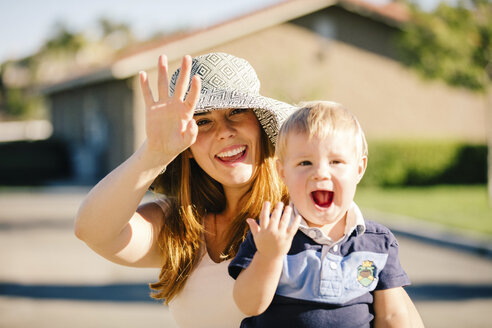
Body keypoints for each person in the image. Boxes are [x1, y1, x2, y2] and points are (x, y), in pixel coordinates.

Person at [74, 52, 297, 328]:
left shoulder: (306, 212)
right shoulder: (179, 225)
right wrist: (153, 154)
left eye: (236, 112)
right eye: (203, 121)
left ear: (261, 123)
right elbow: (91, 230)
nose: (224, 131)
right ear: (187, 149)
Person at [229, 101, 425, 327]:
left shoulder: (376, 243)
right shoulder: (271, 232)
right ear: (282, 172)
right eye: (305, 162)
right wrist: (269, 256)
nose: (321, 173)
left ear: (359, 169)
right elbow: (248, 305)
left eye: (336, 162)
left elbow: (392, 316)